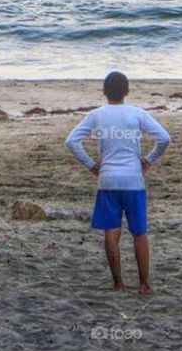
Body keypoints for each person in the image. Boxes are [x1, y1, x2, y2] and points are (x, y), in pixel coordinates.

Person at [65, 71, 171, 294]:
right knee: (139, 233)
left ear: (104, 92)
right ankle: (144, 283)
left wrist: (92, 164)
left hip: (108, 179)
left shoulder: (97, 115)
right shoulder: (136, 113)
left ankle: (118, 283)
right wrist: (149, 160)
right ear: (127, 91)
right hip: (133, 179)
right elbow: (164, 138)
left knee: (111, 233)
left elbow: (72, 141)